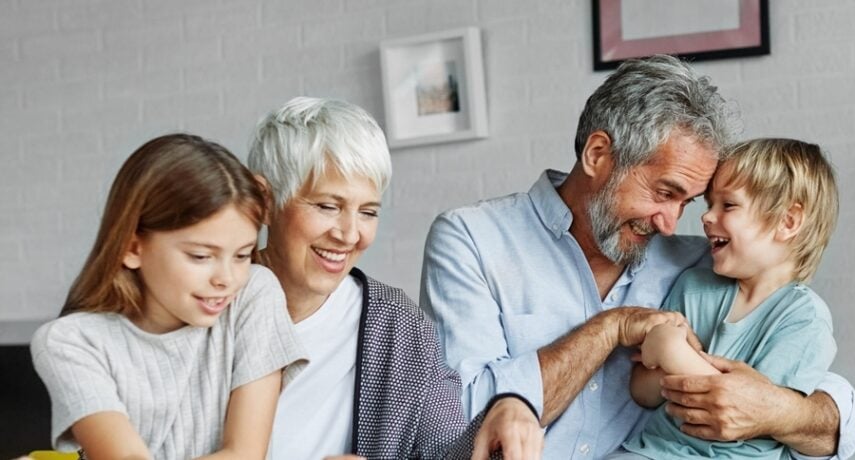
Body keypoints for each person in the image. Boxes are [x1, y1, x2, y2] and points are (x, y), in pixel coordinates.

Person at [420, 55, 855, 459]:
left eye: (688, 202)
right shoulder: (471, 240)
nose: (671, 224)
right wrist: (611, 328)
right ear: (598, 155)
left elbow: (821, 399)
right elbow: (461, 422)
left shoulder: (704, 266)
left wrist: (781, 410)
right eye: (664, 192)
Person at [246, 97, 543, 459]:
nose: (350, 234)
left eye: (368, 212)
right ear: (264, 201)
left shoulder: (398, 327)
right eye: (328, 206)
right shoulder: (204, 307)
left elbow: (447, 450)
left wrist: (507, 406)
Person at [30, 134, 308, 459]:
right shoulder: (70, 342)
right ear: (132, 248)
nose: (227, 279)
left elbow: (245, 454)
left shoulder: (253, 293)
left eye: (242, 255)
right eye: (201, 256)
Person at [615, 138, 840, 458]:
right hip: (653, 451)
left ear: (788, 222)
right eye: (709, 205)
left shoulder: (803, 318)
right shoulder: (694, 286)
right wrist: (669, 359)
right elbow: (642, 392)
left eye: (728, 205)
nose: (706, 217)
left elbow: (737, 414)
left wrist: (668, 348)